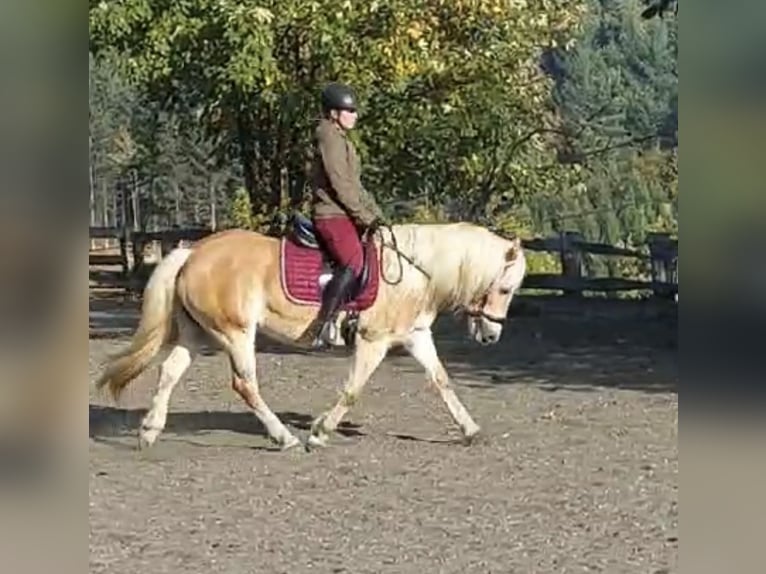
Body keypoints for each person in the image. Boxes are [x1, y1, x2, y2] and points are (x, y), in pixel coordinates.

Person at [308, 82, 386, 347]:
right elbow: (340, 183)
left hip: (345, 211)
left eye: (354, 110)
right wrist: (364, 217)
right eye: (348, 110)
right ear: (333, 113)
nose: (354, 115)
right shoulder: (328, 136)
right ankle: (322, 325)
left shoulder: (341, 138)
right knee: (353, 262)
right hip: (331, 213)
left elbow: (356, 186)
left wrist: (376, 214)